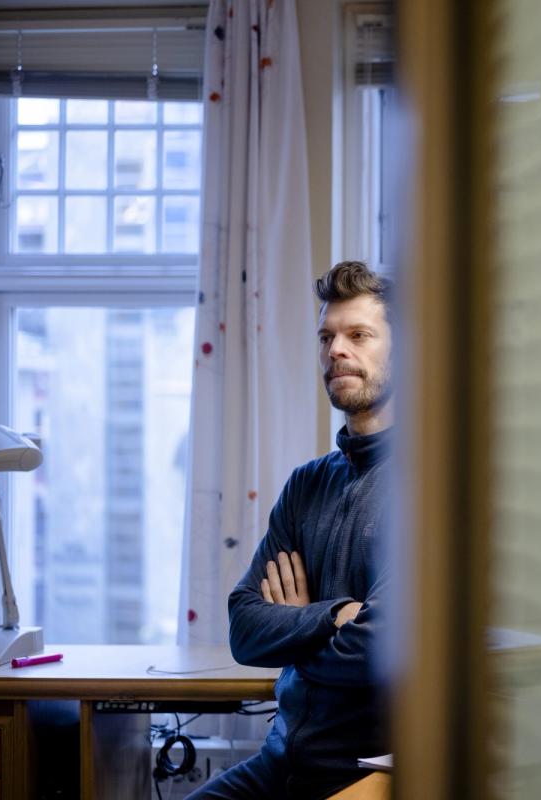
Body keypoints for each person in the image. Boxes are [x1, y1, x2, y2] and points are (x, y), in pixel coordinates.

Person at [189, 261, 395, 799]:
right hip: (278, 762)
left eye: (359, 335)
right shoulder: (307, 484)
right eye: (327, 337)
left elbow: (379, 651)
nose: (336, 350)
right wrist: (333, 614)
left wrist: (293, 629)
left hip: (367, 773)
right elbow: (243, 628)